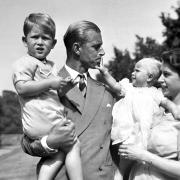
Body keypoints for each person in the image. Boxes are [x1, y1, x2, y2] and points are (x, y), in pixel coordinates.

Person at [19, 20, 115, 180]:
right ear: (77, 48)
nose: (102, 52)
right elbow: (27, 142)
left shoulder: (106, 91)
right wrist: (49, 142)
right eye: (96, 46)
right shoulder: (44, 86)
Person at [12, 13, 83, 180]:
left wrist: (62, 87)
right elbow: (22, 88)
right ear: (24, 41)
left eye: (45, 38)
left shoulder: (50, 65)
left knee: (57, 154)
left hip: (48, 121)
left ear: (53, 43)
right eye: (34, 37)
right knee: (74, 145)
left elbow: (51, 93)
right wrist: (50, 83)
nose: (39, 42)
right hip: (41, 123)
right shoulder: (24, 62)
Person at [96, 58, 164, 179]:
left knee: (138, 168)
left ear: (149, 77)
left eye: (137, 70)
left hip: (143, 135)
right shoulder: (129, 88)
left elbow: (166, 103)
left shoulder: (155, 93)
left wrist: (174, 109)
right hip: (125, 134)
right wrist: (105, 72)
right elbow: (116, 86)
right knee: (122, 167)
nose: (132, 73)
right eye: (133, 70)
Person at [118, 49, 180, 180]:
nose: (160, 79)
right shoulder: (155, 107)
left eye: (166, 74)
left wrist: (143, 155)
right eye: (161, 73)